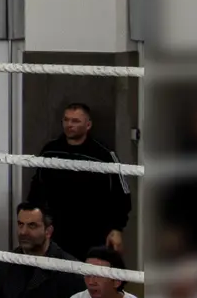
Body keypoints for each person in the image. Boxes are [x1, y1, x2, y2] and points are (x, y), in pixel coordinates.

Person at [26, 103, 131, 258]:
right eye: (66, 120)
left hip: (92, 233)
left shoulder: (104, 155)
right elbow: (36, 189)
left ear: (88, 125)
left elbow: (121, 194)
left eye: (75, 121)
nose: (69, 125)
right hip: (56, 231)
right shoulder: (50, 151)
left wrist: (116, 229)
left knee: (88, 279)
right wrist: (33, 223)